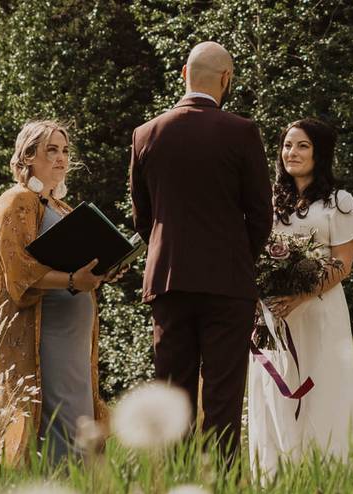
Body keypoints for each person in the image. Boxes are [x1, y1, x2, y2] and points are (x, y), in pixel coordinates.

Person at [130, 41, 274, 464]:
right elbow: (260, 213)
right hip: (228, 281)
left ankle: (173, 486)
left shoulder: (146, 133)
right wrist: (236, 257)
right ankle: (223, 488)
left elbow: (144, 217)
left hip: (169, 279)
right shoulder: (241, 131)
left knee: (172, 393)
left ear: (182, 74)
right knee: (223, 395)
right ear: (227, 79)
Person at [248, 118, 353, 480]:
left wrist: (300, 295)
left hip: (319, 311)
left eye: (302, 145)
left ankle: (335, 471)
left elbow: (342, 264)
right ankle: (279, 475)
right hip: (274, 315)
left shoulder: (340, 202)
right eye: (288, 145)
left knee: (324, 386)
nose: (292, 152)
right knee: (274, 391)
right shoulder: (269, 201)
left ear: (320, 152)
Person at [0, 119, 108, 464]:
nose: (61, 158)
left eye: (65, 151)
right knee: (58, 424)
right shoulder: (16, 201)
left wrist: (107, 266)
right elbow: (19, 271)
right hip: (45, 337)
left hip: (75, 339)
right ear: (27, 157)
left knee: (82, 422)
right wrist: (72, 281)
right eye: (51, 150)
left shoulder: (61, 207)